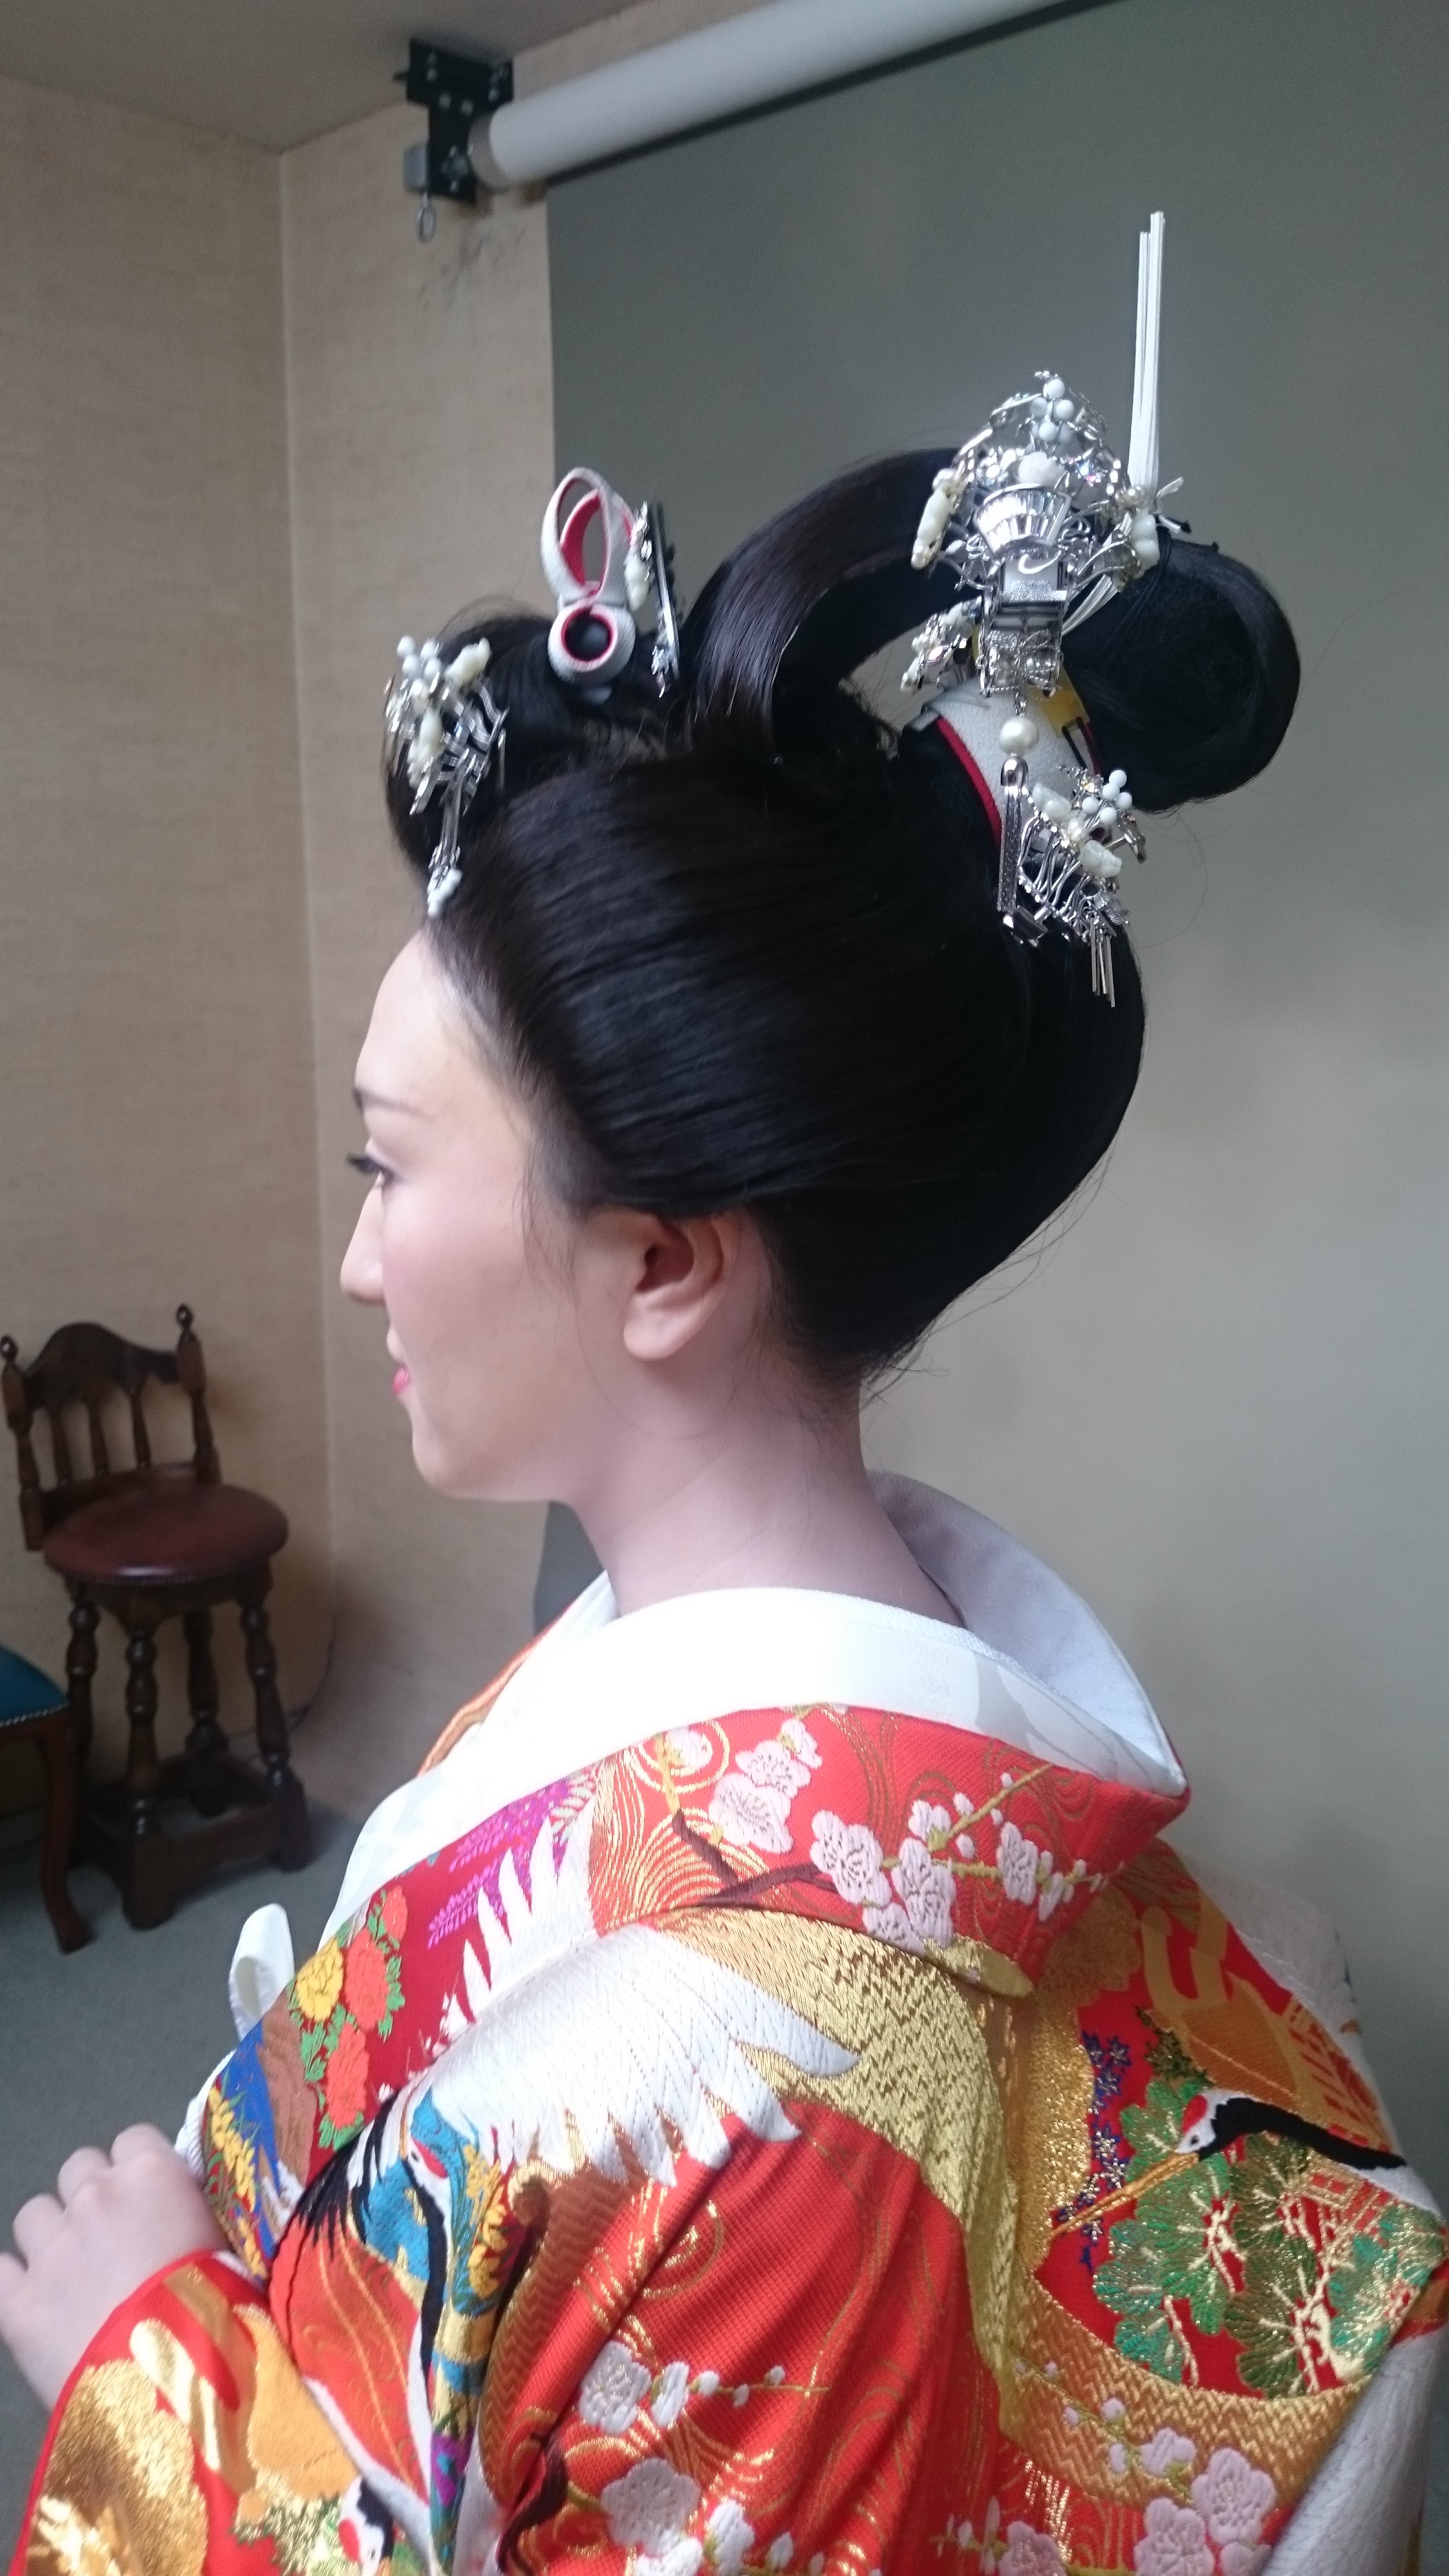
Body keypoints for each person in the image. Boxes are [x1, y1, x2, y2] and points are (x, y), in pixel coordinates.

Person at [3, 354, 1445, 2576]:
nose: (360, 1263)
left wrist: (150, 2365)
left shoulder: (791, 2087)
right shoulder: (726, 1669)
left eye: (389, 1170)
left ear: (667, 1260)